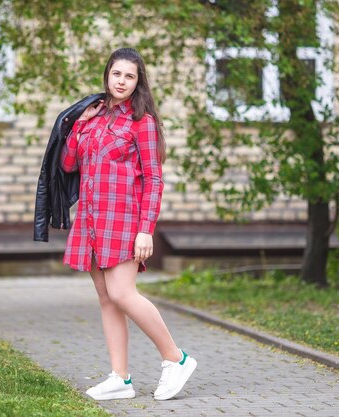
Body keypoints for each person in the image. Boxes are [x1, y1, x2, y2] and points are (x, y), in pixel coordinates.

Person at [60, 47, 197, 401]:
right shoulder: (92, 117)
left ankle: (176, 358)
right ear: (107, 75)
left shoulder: (142, 123)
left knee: (123, 293)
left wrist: (145, 229)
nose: (121, 81)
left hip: (123, 220)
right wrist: (79, 123)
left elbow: (153, 179)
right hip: (91, 219)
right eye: (116, 74)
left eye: (129, 76)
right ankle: (120, 378)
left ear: (138, 83)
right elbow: (69, 163)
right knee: (107, 299)